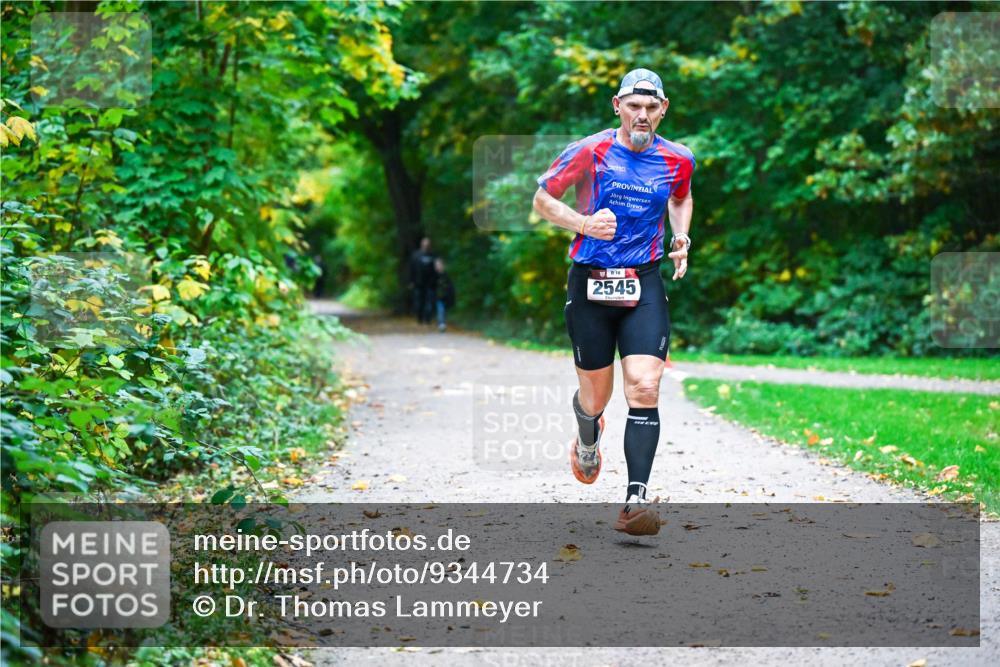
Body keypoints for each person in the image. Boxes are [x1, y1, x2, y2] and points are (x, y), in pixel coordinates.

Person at [532, 68, 694, 536]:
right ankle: (588, 433)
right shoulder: (590, 150)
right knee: (595, 397)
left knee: (644, 386)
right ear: (617, 106)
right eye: (633, 106)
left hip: (643, 282)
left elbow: (681, 197)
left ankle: (635, 500)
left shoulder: (678, 158)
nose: (642, 114)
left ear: (663, 110)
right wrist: (583, 224)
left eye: (651, 107)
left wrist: (681, 236)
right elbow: (543, 199)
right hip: (590, 283)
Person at [409, 237, 437, 324]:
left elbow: (437, 269)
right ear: (421, 244)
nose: (426, 246)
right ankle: (420, 318)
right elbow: (412, 269)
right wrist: (411, 281)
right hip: (418, 283)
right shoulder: (416, 255)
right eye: (425, 244)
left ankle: (428, 319)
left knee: (429, 301)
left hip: (431, 283)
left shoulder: (433, 256)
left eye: (428, 244)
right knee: (419, 301)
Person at [434, 258, 455, 333]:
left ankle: (442, 322)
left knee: (444, 310)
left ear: (443, 265)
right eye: (436, 265)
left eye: (439, 265)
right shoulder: (434, 276)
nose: (438, 267)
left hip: (445, 296)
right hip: (438, 296)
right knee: (440, 309)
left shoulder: (446, 275)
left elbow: (450, 286)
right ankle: (441, 323)